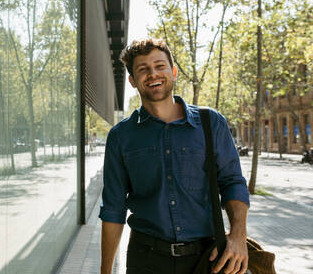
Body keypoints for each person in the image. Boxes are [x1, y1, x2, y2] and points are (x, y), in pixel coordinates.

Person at [99, 38, 250, 274]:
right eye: (143, 69)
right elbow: (113, 209)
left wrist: (239, 236)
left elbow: (232, 182)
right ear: (132, 81)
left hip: (207, 258)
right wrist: (105, 271)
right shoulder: (121, 136)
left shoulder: (211, 123)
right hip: (145, 260)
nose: (153, 74)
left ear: (174, 71)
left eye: (160, 66)